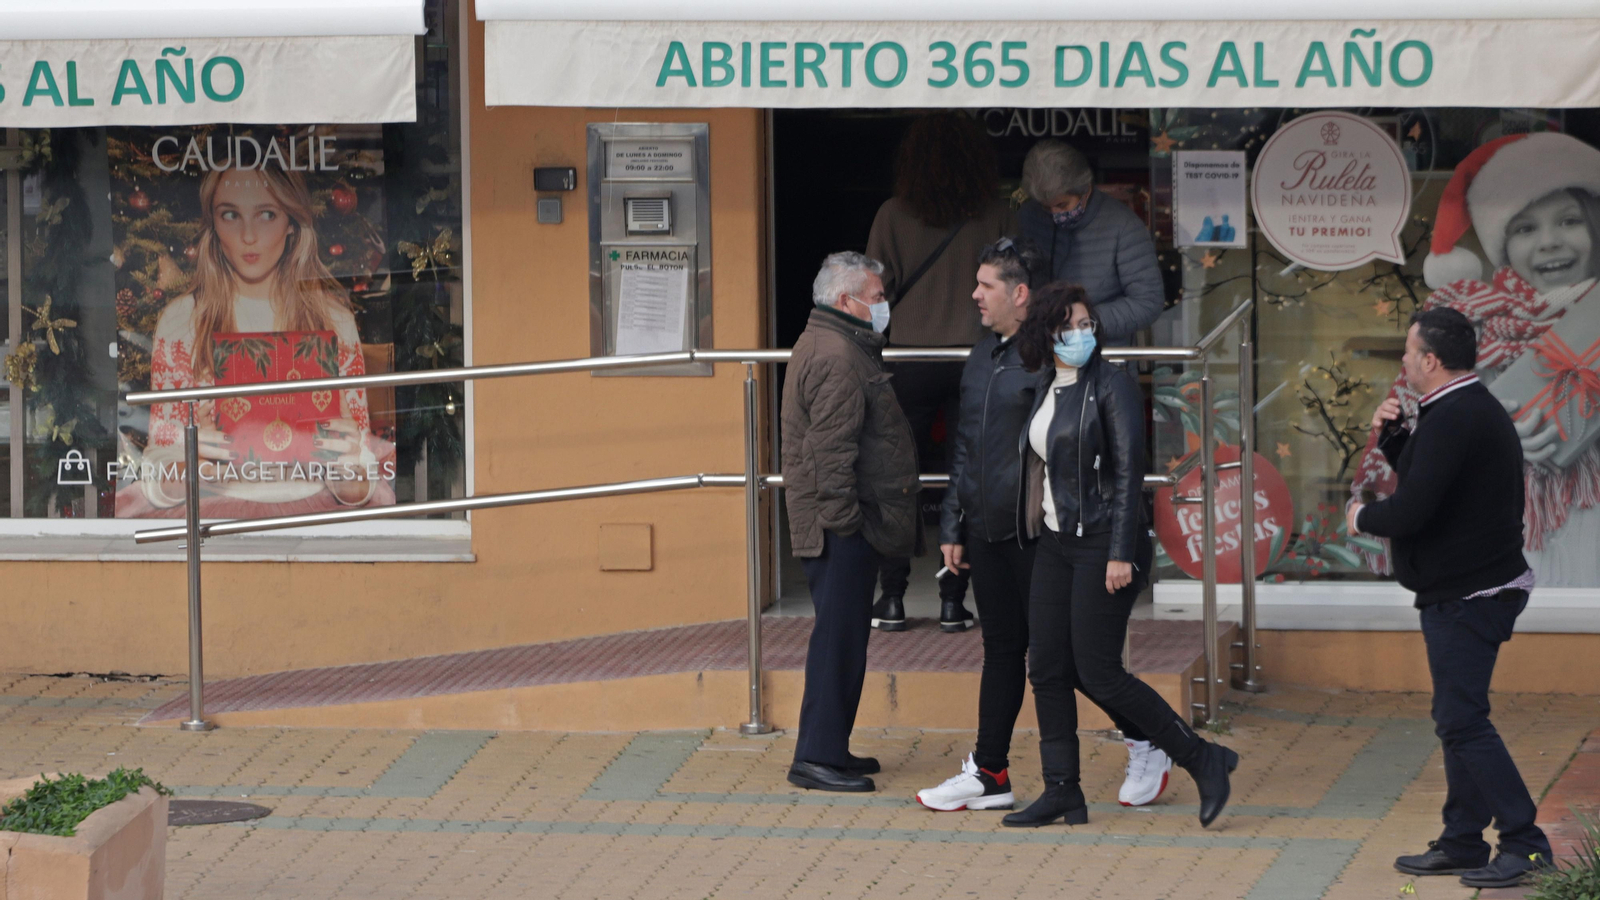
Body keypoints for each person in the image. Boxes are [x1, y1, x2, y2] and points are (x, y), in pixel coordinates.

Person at [915, 239, 1174, 814]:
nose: (975, 295)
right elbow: (966, 446)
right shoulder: (982, 356)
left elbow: (1094, 448)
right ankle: (990, 772)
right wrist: (954, 522)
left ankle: (1146, 739)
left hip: (1040, 532)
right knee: (1004, 650)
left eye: (986, 286)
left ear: (1020, 294)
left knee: (1071, 662)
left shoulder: (1049, 360)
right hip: (986, 529)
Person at [1000, 283, 1238, 830]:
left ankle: (1203, 758)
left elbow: (1131, 473)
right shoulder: (1045, 386)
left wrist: (1118, 553)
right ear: (1045, 334)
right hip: (1057, 545)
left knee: (1100, 672)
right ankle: (1062, 791)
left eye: (1087, 324)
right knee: (1049, 669)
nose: (1081, 334)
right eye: (1069, 326)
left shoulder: (1112, 385)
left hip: (1106, 543)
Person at [1348, 308, 1553, 890]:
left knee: (1462, 721)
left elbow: (1412, 510)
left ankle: (1526, 845)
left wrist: (1361, 515)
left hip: (1471, 595)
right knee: (1456, 719)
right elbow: (1436, 482)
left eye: (1409, 353)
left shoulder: (1456, 417)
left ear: (1431, 360)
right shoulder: (1456, 411)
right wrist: (1395, 439)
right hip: (1466, 591)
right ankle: (1464, 839)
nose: (1405, 362)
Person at [1353, 132, 1600, 587]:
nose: (1548, 242)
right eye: (1526, 228)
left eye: (1569, 221)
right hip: (1498, 536)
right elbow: (1419, 443)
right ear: (1502, 245)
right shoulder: (1473, 327)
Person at [121, 163, 392, 518]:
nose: (249, 236)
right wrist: (196, 462)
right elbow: (158, 475)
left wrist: (347, 462)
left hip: (313, 517)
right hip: (211, 517)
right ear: (214, 226)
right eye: (230, 214)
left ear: (291, 224)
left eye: (266, 214)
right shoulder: (182, 320)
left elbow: (357, 485)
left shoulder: (334, 321)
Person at [865, 112, 1016, 634]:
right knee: (967, 476)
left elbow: (874, 292)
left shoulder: (891, 214)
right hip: (978, 357)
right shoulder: (997, 212)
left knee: (895, 477)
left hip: (908, 358)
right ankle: (954, 599)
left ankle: (892, 597)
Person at [781, 251, 920, 793]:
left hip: (838, 522)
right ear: (847, 301)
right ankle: (815, 757)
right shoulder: (838, 356)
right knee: (837, 641)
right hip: (838, 526)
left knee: (843, 638)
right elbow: (831, 454)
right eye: (878, 297)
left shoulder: (833, 342)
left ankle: (829, 747)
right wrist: (847, 525)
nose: (884, 305)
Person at [1016, 140, 1165, 347]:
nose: (1055, 215)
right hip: (1041, 355)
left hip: (1104, 357)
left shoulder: (1123, 226)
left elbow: (1148, 302)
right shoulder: (1029, 217)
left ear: (1086, 189)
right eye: (1046, 208)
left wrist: (1081, 322)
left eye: (1062, 204)